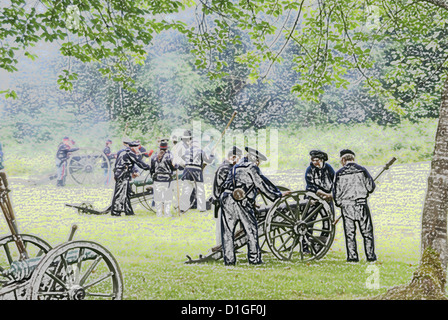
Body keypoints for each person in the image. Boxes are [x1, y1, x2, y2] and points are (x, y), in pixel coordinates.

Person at [219, 146, 290, 265]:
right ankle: (254, 259)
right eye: (258, 161)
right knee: (251, 230)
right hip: (241, 201)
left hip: (226, 198)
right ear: (254, 159)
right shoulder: (251, 168)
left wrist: (253, 201)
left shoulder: (235, 167)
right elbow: (261, 184)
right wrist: (277, 195)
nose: (258, 164)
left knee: (227, 232)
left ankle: (229, 260)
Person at [333, 149, 377, 263]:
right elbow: (371, 187)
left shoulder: (339, 173)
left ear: (343, 160)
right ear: (353, 158)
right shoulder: (362, 170)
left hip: (347, 206)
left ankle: (352, 257)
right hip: (361, 204)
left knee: (350, 234)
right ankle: (370, 256)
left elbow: (336, 194)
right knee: (367, 233)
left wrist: (340, 204)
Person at [212, 146, 243, 246]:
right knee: (222, 228)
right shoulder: (225, 169)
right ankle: (221, 248)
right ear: (233, 157)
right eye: (239, 158)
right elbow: (226, 188)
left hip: (227, 202)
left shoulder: (229, 167)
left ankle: (227, 246)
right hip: (222, 202)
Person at [111, 140, 151, 216]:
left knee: (126, 194)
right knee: (120, 194)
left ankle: (128, 211)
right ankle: (116, 212)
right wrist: (149, 167)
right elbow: (139, 163)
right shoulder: (130, 153)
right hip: (123, 174)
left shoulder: (123, 152)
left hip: (120, 173)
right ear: (133, 147)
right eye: (137, 147)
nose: (138, 149)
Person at [179, 137, 215, 212]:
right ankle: (202, 208)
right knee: (200, 191)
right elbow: (208, 161)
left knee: (186, 191)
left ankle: (183, 208)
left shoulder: (186, 151)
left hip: (187, 171)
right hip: (197, 172)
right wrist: (212, 155)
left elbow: (181, 163)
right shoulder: (201, 151)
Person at [150, 141, 177, 217]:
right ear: (166, 148)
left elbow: (151, 169)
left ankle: (158, 213)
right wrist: (177, 166)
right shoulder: (169, 156)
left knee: (157, 198)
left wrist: (152, 176)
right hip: (167, 180)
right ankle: (167, 213)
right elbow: (174, 167)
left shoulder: (154, 156)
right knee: (167, 198)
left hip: (157, 179)